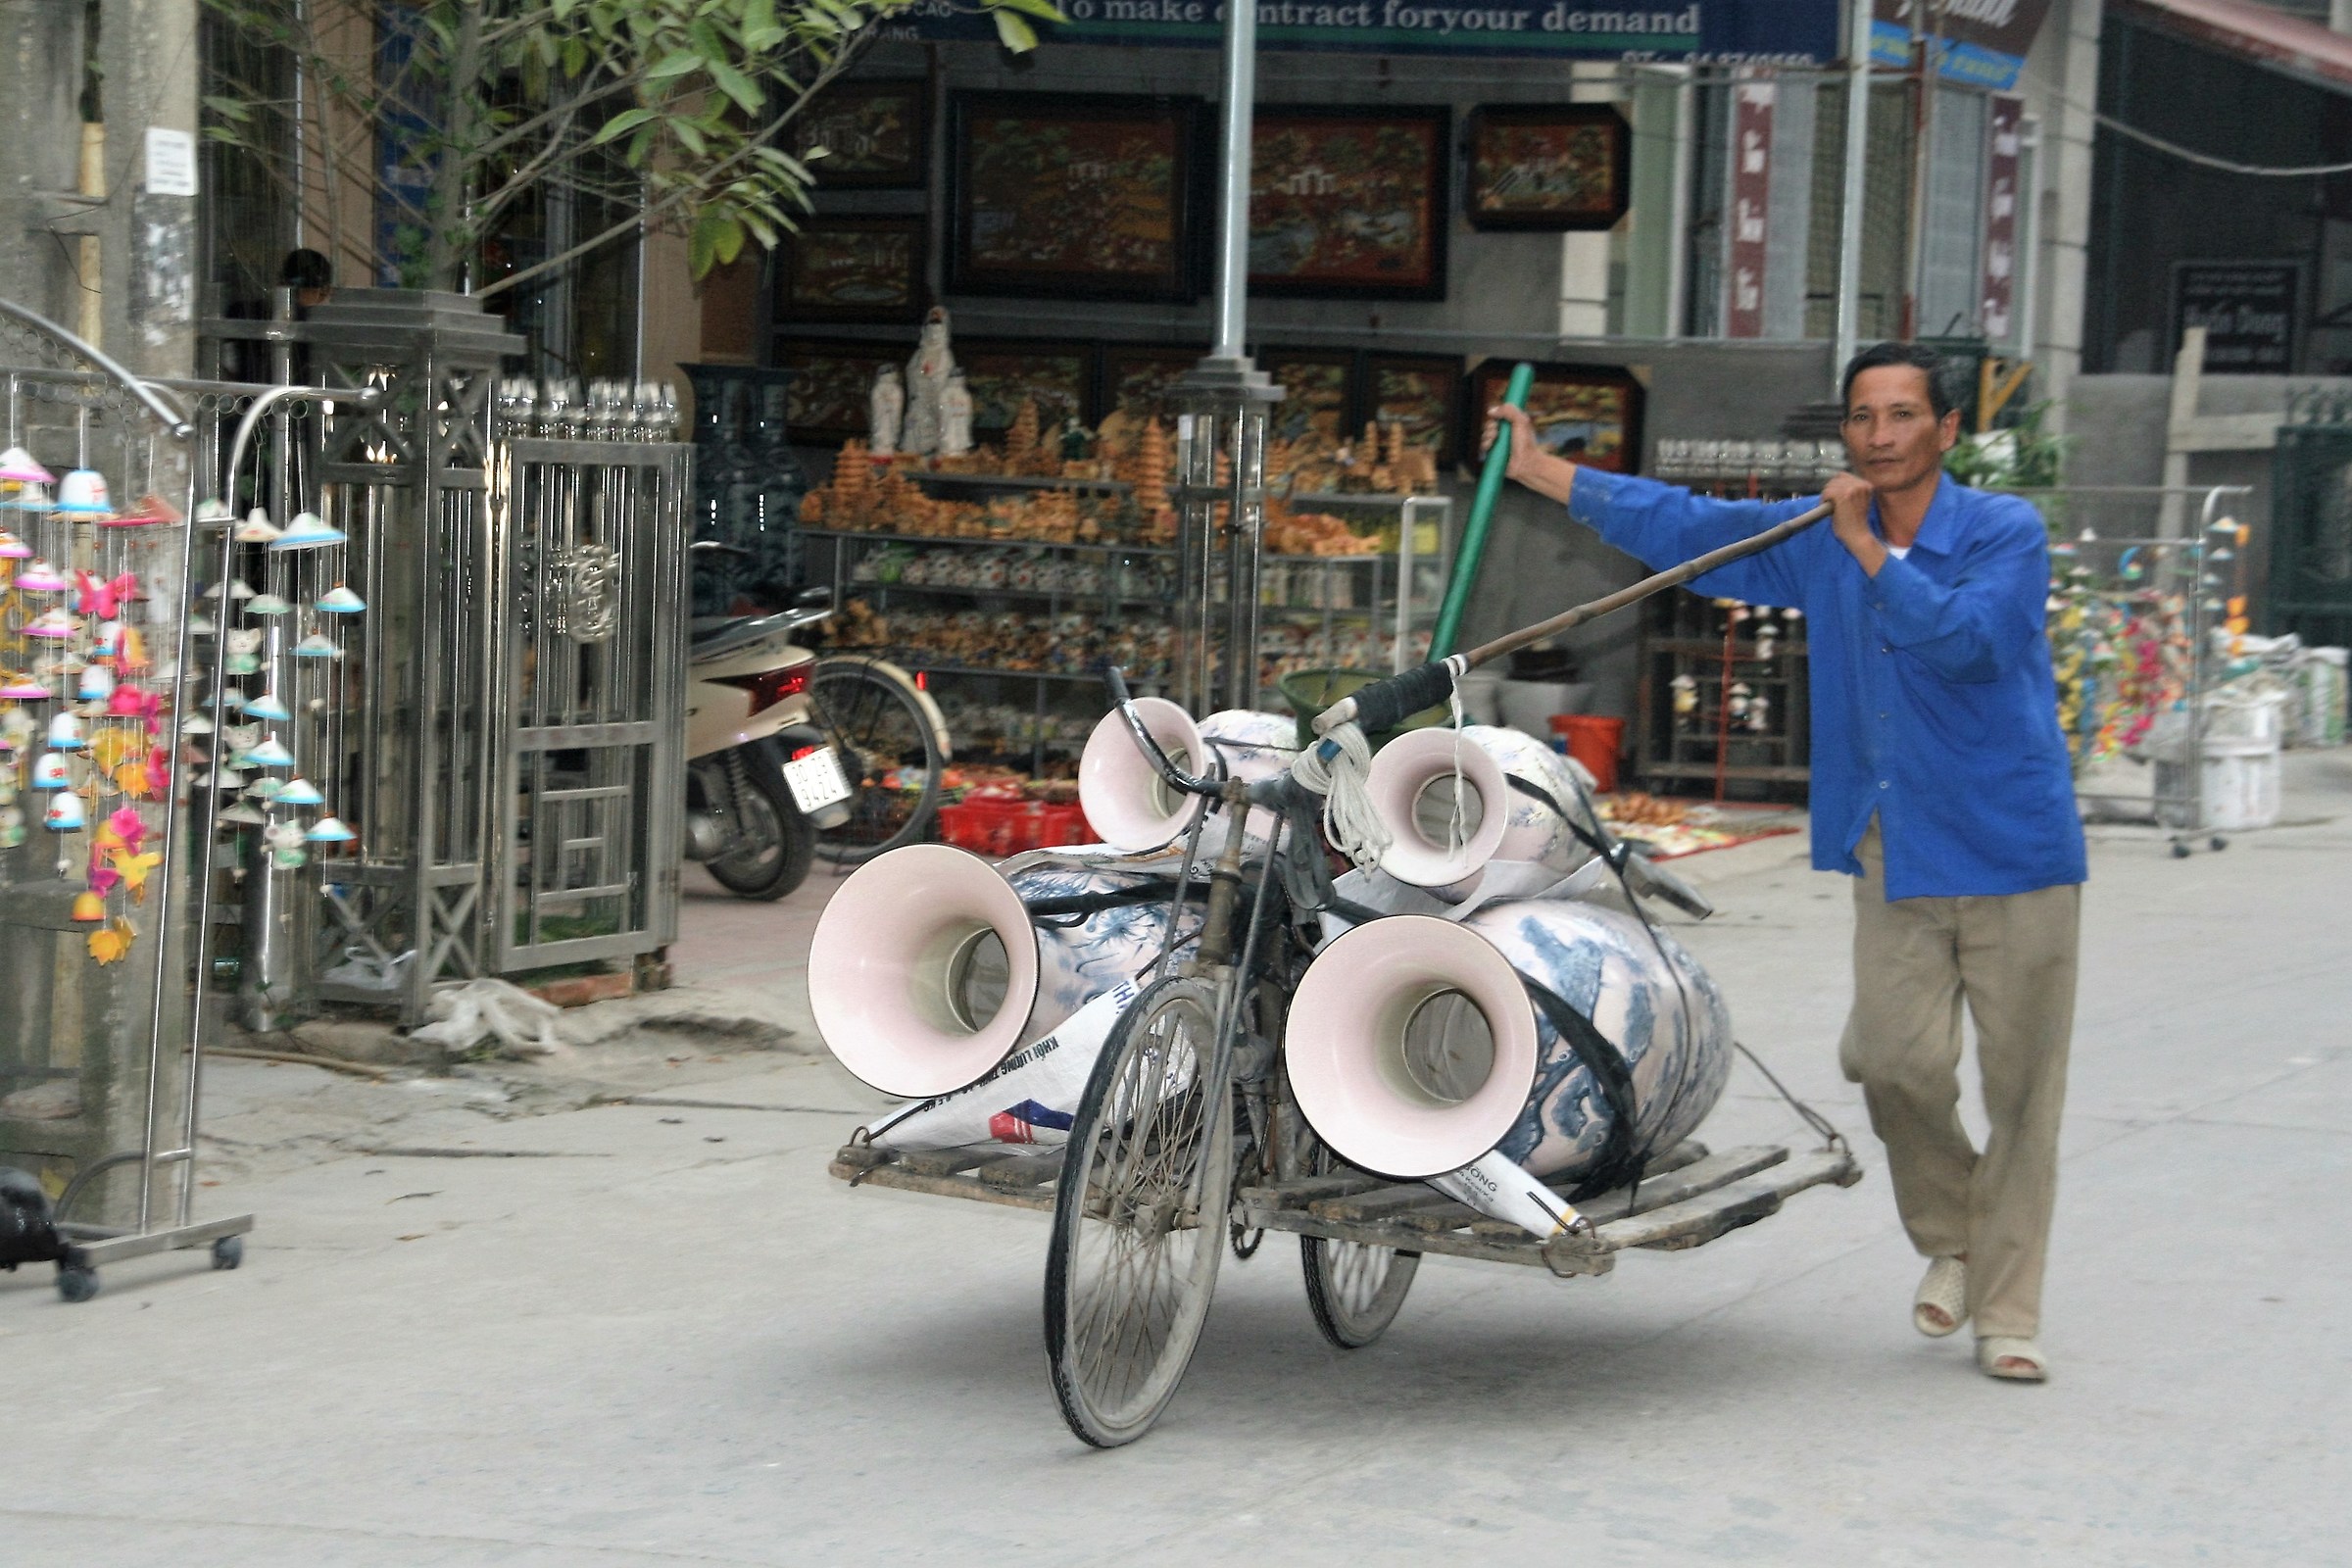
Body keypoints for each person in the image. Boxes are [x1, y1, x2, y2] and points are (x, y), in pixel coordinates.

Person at [1484, 342, 2084, 1383]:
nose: (1882, 435)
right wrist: (1546, 473)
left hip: (2013, 847)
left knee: (2023, 1089)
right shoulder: (1822, 535)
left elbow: (1972, 645)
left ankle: (2008, 1309)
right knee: (1898, 1066)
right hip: (1892, 843)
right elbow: (1692, 530)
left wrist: (1867, 552)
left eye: (1904, 415)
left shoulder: (2002, 533)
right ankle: (1958, 1237)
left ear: (1946, 431)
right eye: (1864, 417)